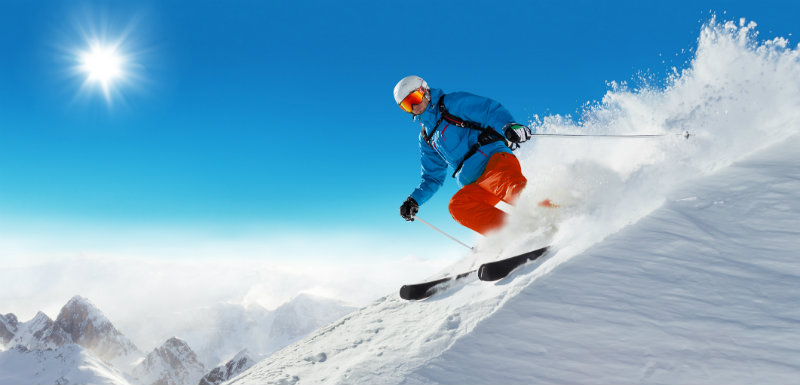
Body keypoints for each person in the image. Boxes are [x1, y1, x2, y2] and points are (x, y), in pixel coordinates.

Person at [395, 75, 533, 235]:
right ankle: (516, 236)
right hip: (476, 183)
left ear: (424, 91)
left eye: (414, 98)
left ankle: (554, 213)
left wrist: (508, 125)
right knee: (459, 206)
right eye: (406, 105)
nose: (414, 106)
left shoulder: (450, 104)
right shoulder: (426, 137)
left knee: (512, 191)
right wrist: (414, 200)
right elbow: (432, 177)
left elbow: (488, 110)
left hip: (494, 163)